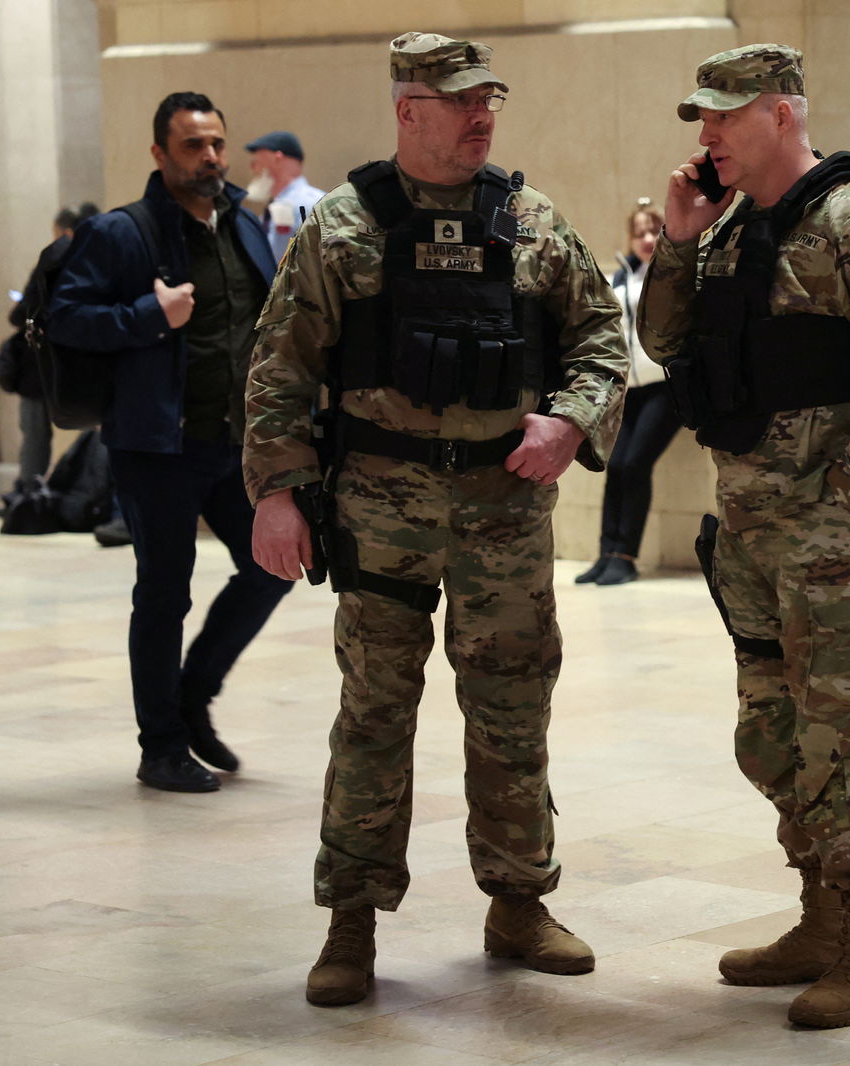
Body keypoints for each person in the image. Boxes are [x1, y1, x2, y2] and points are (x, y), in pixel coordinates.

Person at [243, 33, 628, 1007]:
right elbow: (280, 365)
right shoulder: (343, 226)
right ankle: (351, 920)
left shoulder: (529, 219)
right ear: (407, 109)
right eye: (458, 100)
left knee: (512, 707)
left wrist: (569, 420)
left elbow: (600, 340)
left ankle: (519, 901)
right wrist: (279, 490)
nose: (479, 115)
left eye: (487, 96)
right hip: (380, 506)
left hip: (504, 509)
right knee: (374, 711)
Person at [638, 44, 850, 1029]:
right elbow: (661, 343)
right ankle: (821, 913)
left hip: (829, 538)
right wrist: (681, 244)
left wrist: (848, 505)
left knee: (843, 735)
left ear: (780, 113)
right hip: (748, 534)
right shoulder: (730, 229)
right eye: (700, 119)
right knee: (767, 735)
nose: (708, 137)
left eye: (723, 117)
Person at [48, 91, 294, 793]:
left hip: (234, 442)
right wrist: (148, 315)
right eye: (193, 145)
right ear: (160, 154)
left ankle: (192, 696)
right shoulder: (121, 234)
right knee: (163, 593)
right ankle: (160, 746)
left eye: (217, 143)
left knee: (273, 567)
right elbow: (66, 318)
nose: (211, 157)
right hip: (156, 445)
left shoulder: (241, 226)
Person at [573, 201, 681, 587]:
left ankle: (625, 555)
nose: (647, 239)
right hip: (628, 391)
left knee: (635, 464)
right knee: (615, 466)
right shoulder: (620, 279)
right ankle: (606, 553)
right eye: (640, 233)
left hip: (664, 388)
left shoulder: (670, 276)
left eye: (654, 230)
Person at [0, 203, 97, 514]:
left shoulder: (53, 260)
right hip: (84, 365)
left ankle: (29, 497)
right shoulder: (99, 263)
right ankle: (92, 496)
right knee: (92, 432)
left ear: (67, 232)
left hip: (39, 366)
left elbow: (23, 312)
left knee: (35, 434)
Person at [244, 130, 325, 262]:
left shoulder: (310, 204)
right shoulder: (277, 206)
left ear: (277, 158)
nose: (253, 169)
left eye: (256, 162)